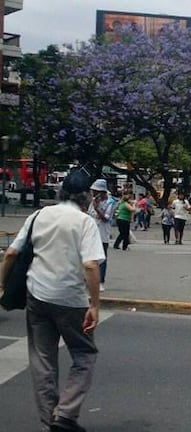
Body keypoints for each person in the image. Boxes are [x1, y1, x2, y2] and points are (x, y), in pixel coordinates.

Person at [0, 169, 104, 432]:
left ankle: (50, 421)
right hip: (71, 299)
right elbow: (90, 265)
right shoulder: (84, 222)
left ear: (61, 192)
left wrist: (1, 284)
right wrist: (94, 304)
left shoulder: (38, 215)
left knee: (42, 358)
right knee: (84, 354)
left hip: (38, 295)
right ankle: (66, 415)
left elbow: (12, 252)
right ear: (86, 196)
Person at [87, 179, 117, 292]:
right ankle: (89, 280)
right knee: (89, 257)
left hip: (102, 234)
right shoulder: (93, 201)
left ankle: (100, 282)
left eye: (95, 191)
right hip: (91, 233)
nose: (93, 194)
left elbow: (106, 218)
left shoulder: (110, 202)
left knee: (101, 259)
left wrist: (97, 208)